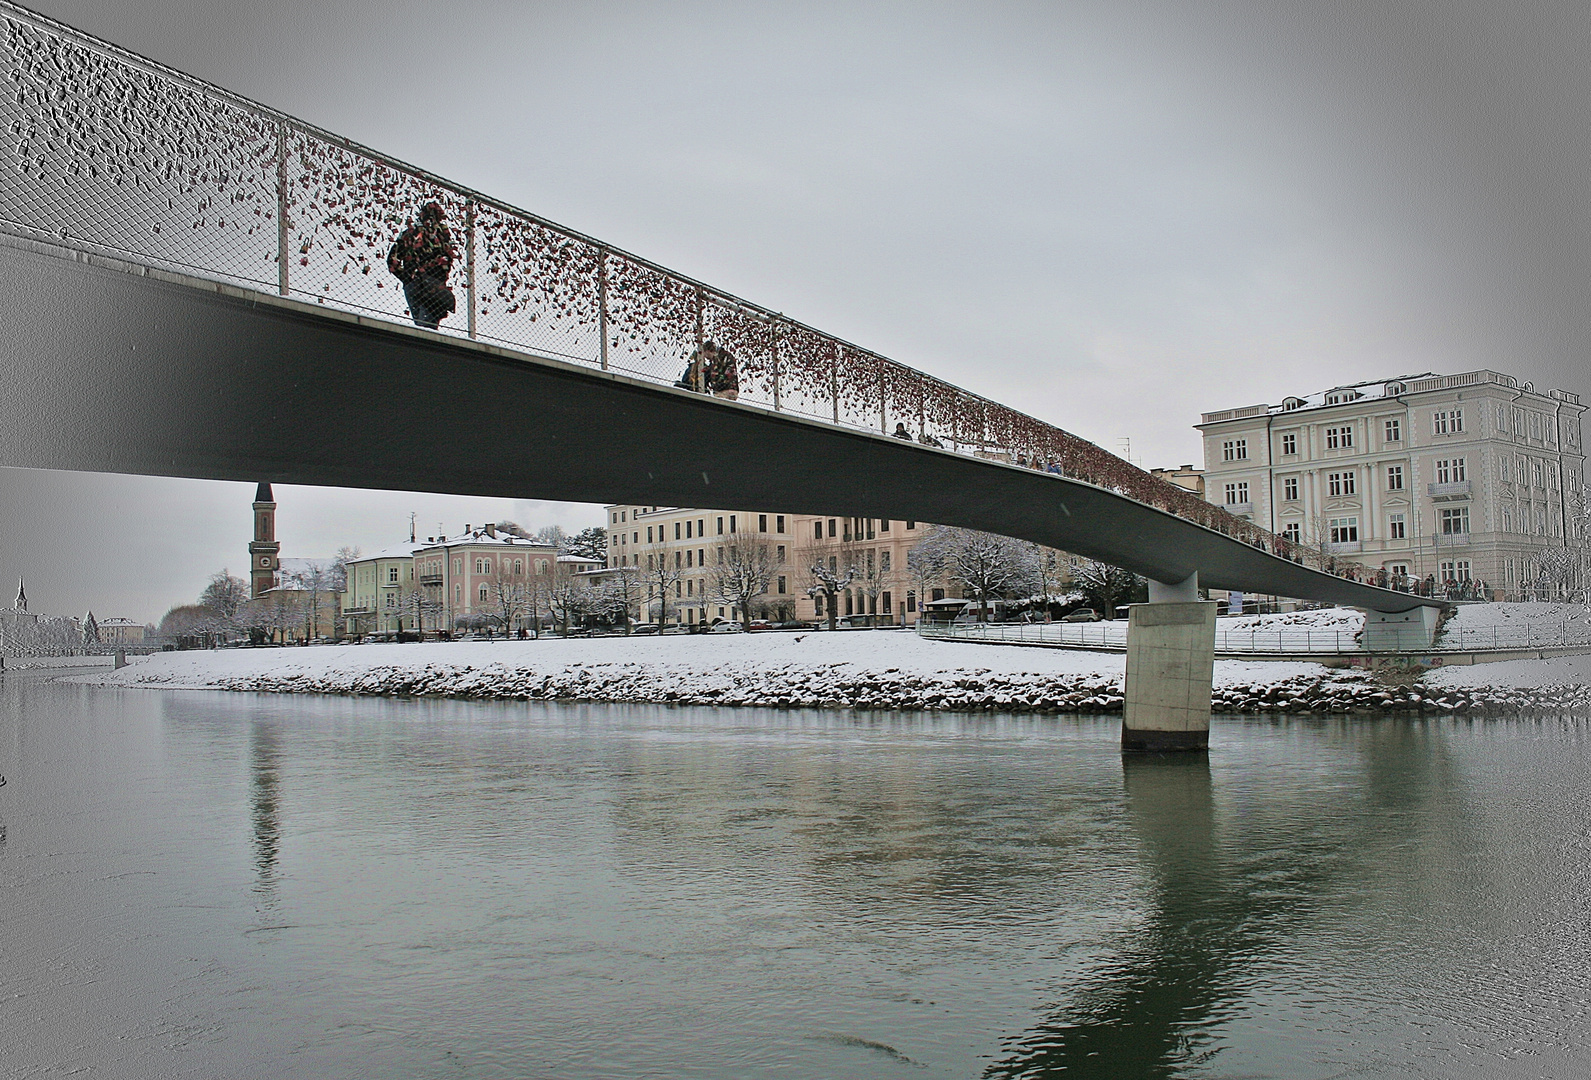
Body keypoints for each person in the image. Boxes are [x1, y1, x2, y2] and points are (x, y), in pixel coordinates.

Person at [388, 201, 456, 329]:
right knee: (428, 324)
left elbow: (393, 260)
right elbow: (447, 262)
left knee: (421, 323)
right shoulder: (443, 238)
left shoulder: (409, 234)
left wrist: (408, 277)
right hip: (434, 285)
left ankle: (422, 342)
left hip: (415, 283)